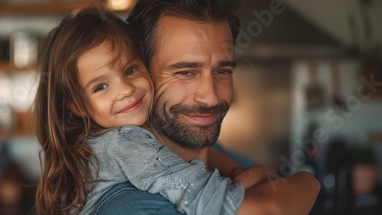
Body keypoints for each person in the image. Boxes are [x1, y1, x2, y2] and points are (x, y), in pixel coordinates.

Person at [93, 0, 321, 214]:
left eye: (222, 71)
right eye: (185, 73)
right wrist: (306, 182)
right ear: (138, 71)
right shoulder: (132, 204)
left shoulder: (234, 161)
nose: (211, 98)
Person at [34, 8, 268, 215]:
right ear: (76, 105)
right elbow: (218, 203)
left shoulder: (93, 146)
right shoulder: (126, 152)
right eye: (185, 72)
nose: (126, 90)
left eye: (130, 70)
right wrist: (299, 183)